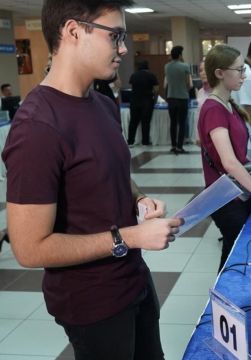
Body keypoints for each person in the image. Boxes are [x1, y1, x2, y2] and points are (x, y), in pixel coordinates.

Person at [1, 1, 183, 359]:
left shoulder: (102, 104)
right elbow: (28, 247)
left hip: (133, 279)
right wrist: (130, 236)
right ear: (72, 31)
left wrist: (139, 200)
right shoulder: (37, 127)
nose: (123, 48)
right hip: (92, 301)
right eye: (114, 36)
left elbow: (111, 175)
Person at [199, 44, 251, 271]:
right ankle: (222, 304)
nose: (244, 75)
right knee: (233, 258)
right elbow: (229, 162)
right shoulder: (214, 110)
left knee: (236, 252)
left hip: (238, 190)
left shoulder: (227, 104)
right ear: (220, 73)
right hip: (226, 197)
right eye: (239, 70)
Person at [164, 45, 193, 154]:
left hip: (171, 98)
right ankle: (180, 147)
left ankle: (173, 145)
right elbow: (189, 84)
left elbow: (166, 83)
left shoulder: (166, 66)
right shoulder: (185, 66)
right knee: (182, 123)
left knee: (173, 123)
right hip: (182, 98)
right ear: (180, 55)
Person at [127, 60, 158, 146]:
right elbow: (156, 89)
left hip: (134, 101)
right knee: (146, 122)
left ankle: (130, 141)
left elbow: (131, 87)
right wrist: (154, 100)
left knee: (133, 122)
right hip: (147, 101)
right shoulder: (151, 75)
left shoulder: (134, 75)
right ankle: (145, 141)